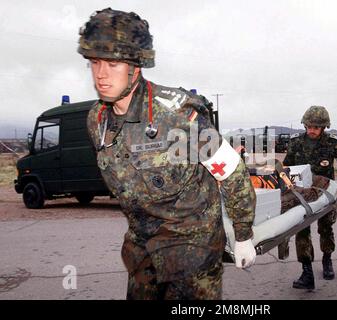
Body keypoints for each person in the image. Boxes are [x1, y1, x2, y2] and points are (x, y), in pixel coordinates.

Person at [77, 8, 256, 300]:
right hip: (143, 253)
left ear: (136, 67)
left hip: (193, 253)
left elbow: (231, 171)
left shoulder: (178, 115)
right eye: (94, 62)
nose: (101, 74)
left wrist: (243, 235)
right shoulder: (97, 120)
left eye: (113, 63)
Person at [283, 106, 337, 290]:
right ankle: (306, 271)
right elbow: (287, 167)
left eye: (315, 126)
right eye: (308, 126)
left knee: (326, 228)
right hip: (302, 194)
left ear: (324, 127)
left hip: (325, 194)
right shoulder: (296, 143)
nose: (311, 129)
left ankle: (327, 260)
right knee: (301, 230)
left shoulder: (333, 144)